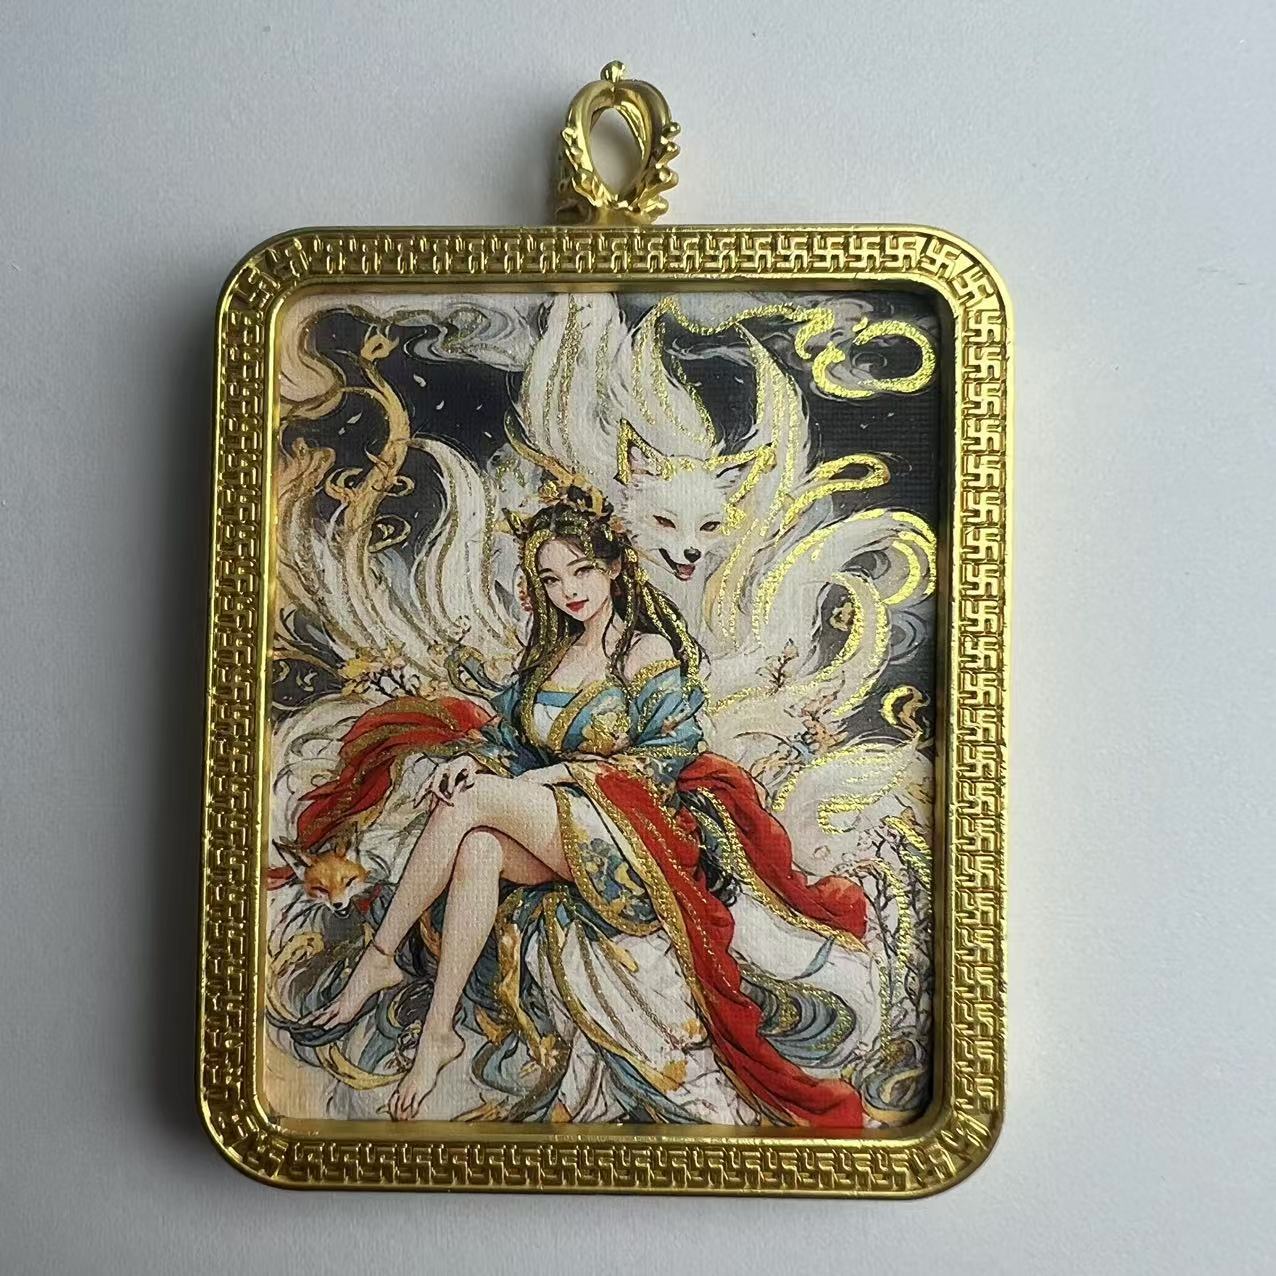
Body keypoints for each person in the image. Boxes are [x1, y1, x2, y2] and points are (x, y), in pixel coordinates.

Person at [291, 485, 873, 1125]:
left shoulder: (644, 651)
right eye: (551, 578)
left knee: (473, 806)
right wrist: (474, 760)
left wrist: (561, 774)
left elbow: (670, 753)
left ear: (615, 567)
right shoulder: (551, 659)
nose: (568, 590)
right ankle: (438, 1034)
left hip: (627, 837)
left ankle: (378, 959)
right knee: (478, 846)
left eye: (582, 570)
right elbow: (514, 742)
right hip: (557, 832)